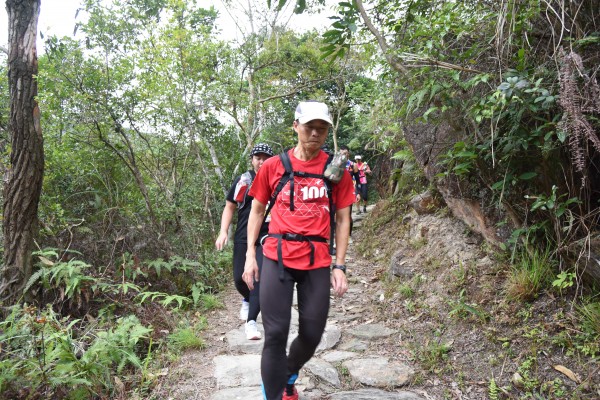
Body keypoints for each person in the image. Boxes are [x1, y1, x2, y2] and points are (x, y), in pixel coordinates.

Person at [243, 101, 355, 400]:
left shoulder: (336, 171)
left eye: (322, 128)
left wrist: (340, 266)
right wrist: (250, 255)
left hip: (316, 259)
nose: (315, 133)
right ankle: (274, 394)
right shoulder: (273, 166)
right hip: (276, 257)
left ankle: (288, 374)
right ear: (295, 126)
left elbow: (343, 219)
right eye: (309, 127)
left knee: (312, 332)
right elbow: (257, 211)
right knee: (275, 334)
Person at [215, 143, 274, 340]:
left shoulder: (276, 180)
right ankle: (248, 299)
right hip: (243, 235)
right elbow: (229, 206)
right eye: (258, 158)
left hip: (267, 235)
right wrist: (223, 231)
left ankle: (251, 322)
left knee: (257, 278)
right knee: (239, 279)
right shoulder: (244, 181)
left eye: (266, 158)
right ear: (252, 160)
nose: (262, 162)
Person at [339, 145, 359, 229]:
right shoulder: (335, 164)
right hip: (338, 192)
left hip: (349, 192)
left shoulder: (353, 165)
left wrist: (357, 193)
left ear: (348, 154)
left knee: (348, 214)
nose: (343, 155)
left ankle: (349, 233)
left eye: (345, 153)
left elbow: (358, 180)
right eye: (341, 153)